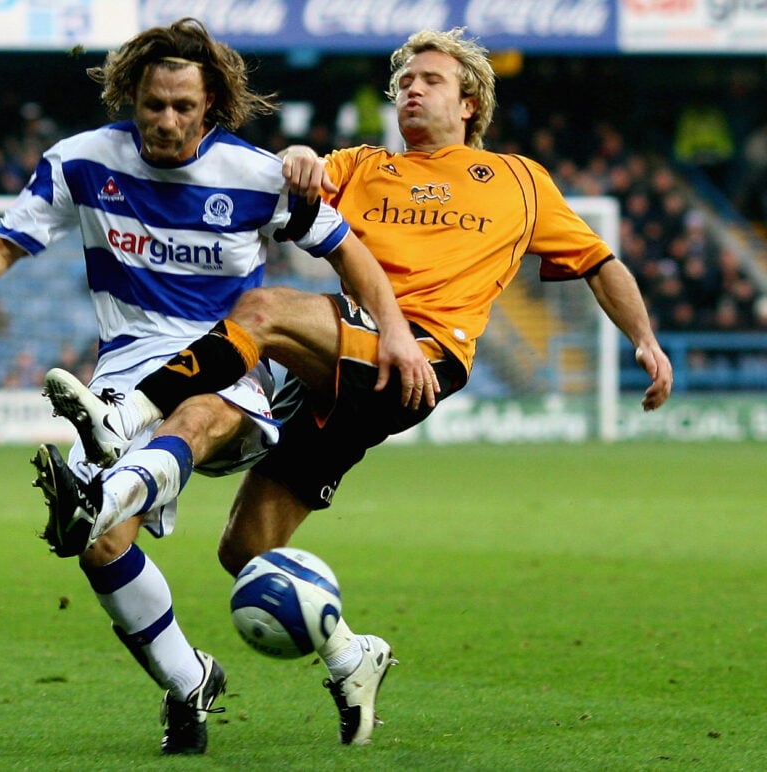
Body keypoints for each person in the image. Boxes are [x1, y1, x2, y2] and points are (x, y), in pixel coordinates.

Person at [41, 26, 674, 745]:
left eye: (429, 80)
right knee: (245, 549)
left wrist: (645, 340)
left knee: (263, 311)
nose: (411, 90)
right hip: (338, 377)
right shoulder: (366, 165)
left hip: (419, 356)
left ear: (469, 102)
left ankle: (126, 415)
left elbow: (598, 262)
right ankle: (352, 657)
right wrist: (301, 157)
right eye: (403, 82)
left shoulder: (520, 182)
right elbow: (296, 174)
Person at [0, 18, 423, 755]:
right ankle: (188, 680)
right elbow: (3, 245)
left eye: (183, 107)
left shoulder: (255, 175)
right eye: (154, 104)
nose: (166, 120)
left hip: (228, 362)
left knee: (192, 415)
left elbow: (350, 252)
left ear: (210, 105)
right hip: (124, 370)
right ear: (131, 96)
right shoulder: (81, 161)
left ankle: (104, 489)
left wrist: (393, 332)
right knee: (101, 549)